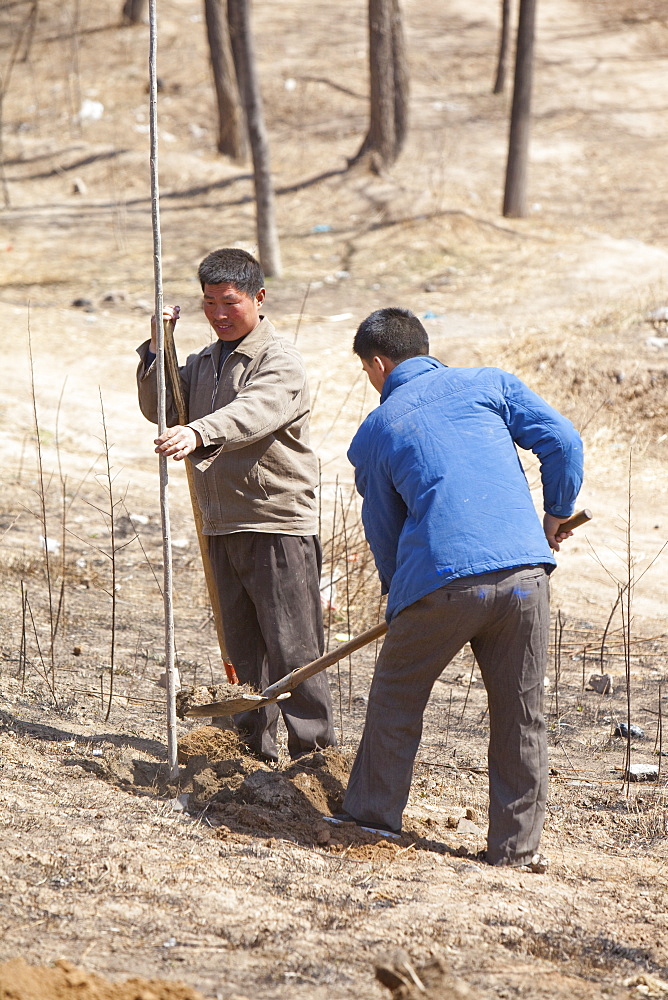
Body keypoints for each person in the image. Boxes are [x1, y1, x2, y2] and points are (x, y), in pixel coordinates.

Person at [337, 307, 583, 869]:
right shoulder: (488, 383)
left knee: (398, 697)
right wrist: (555, 516)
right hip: (526, 575)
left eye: (368, 373)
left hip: (440, 582)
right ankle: (516, 851)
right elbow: (563, 442)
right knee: (521, 711)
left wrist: (400, 595)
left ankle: (372, 819)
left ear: (378, 364)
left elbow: (384, 530)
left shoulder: (376, 430)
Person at [137, 248, 336, 762]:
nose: (219, 314)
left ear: (258, 298)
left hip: (275, 522)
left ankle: (313, 758)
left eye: (229, 302)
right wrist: (159, 349)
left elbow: (254, 412)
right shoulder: (204, 362)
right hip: (220, 522)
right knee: (241, 647)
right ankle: (248, 750)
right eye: (208, 304)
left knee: (294, 649)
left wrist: (199, 431)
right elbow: (161, 406)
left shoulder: (280, 361)